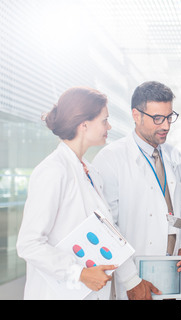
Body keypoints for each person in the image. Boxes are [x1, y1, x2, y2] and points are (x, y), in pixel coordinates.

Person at [92, 81, 181, 300]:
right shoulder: (111, 159)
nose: (166, 125)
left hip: (172, 269)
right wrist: (130, 279)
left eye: (169, 117)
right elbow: (108, 228)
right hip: (136, 273)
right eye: (157, 118)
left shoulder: (174, 156)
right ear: (136, 115)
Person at [16, 87, 117, 299]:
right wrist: (78, 273)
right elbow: (29, 244)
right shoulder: (53, 170)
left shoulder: (89, 171)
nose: (109, 126)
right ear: (84, 124)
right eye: (104, 120)